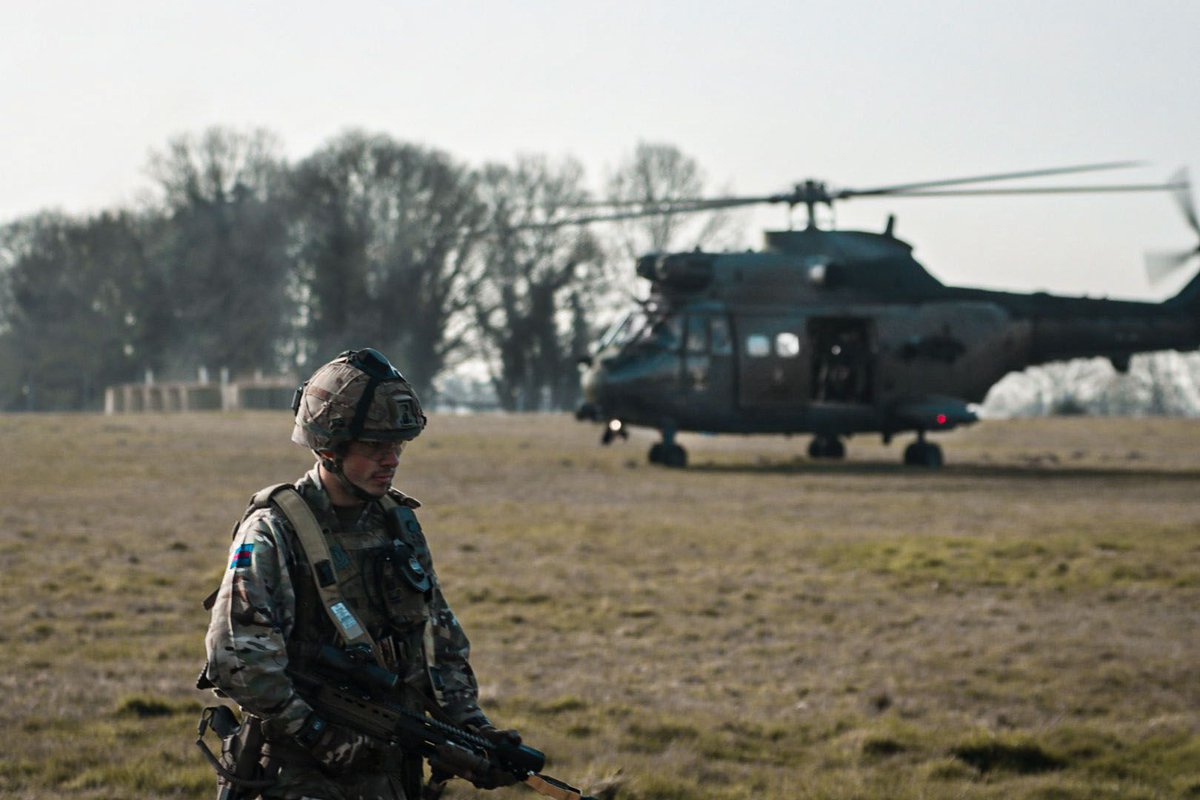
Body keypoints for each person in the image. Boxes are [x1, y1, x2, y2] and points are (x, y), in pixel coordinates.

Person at [202, 348, 517, 800]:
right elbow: (236, 657)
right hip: (300, 779)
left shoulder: (398, 525)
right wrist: (319, 737)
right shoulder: (274, 531)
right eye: (375, 447)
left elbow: (439, 646)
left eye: (397, 446)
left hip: (390, 775)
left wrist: (473, 733)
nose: (391, 460)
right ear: (329, 447)